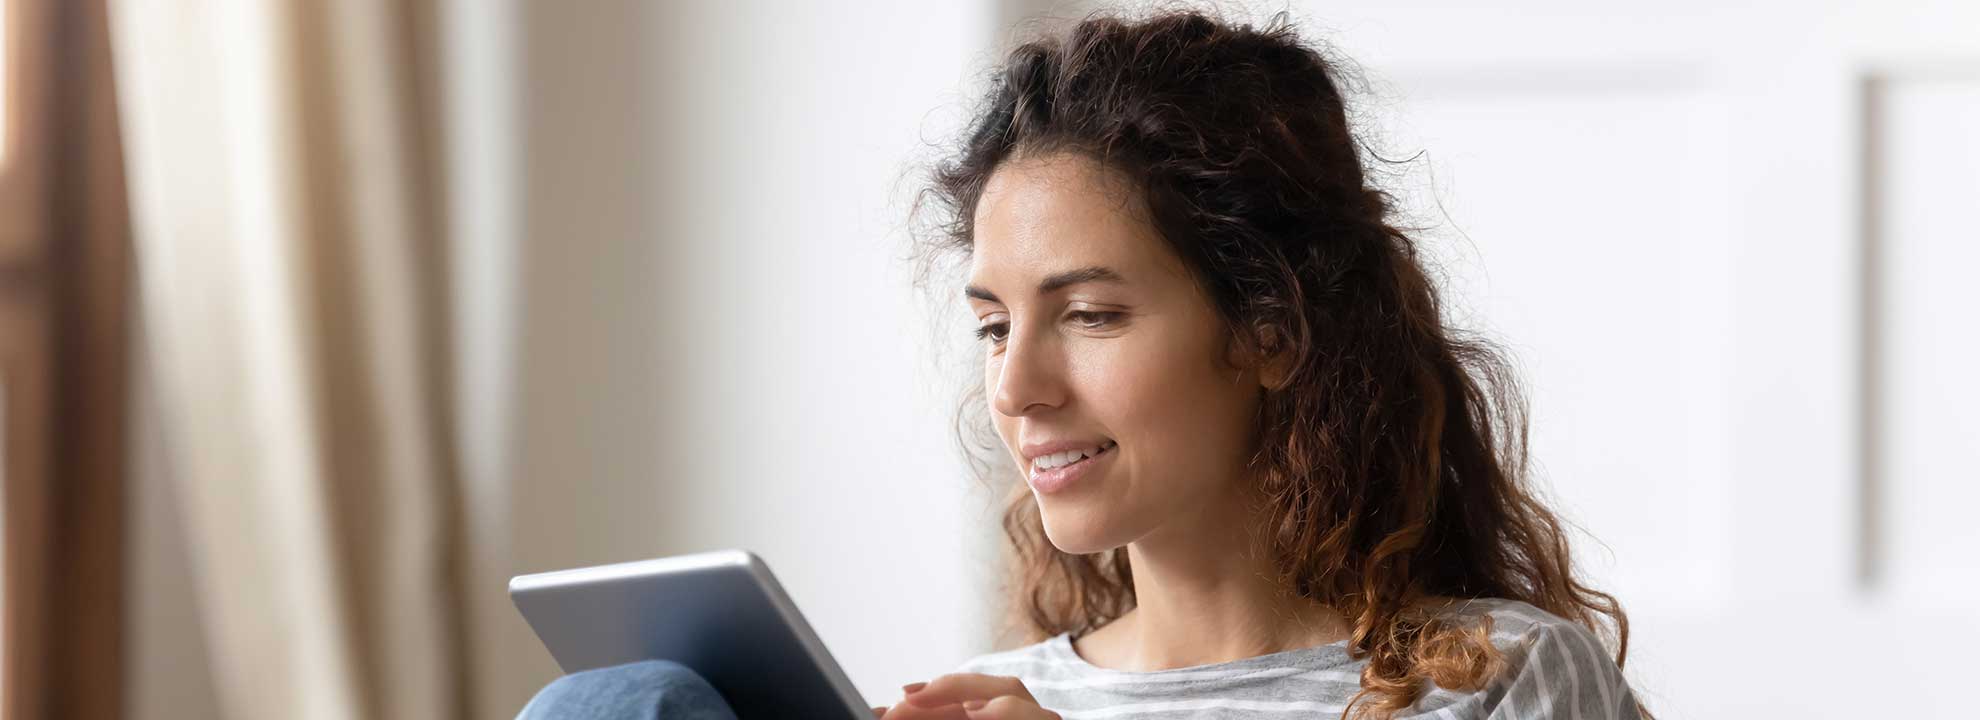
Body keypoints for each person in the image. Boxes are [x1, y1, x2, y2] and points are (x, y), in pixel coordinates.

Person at [521, 9, 1650, 720]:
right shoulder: (993, 703)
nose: (1015, 391)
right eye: (994, 326)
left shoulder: (1499, 681)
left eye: (1092, 315)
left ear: (1272, 331)